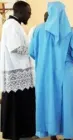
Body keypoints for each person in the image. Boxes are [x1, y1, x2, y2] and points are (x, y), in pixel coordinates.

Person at [29, 1, 73, 140]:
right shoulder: (70, 31)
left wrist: (46, 61)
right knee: (68, 104)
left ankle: (52, 134)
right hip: (66, 72)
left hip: (45, 73)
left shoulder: (38, 30)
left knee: (49, 101)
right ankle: (68, 135)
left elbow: (32, 52)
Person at [0, 1, 35, 140]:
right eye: (28, 13)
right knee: (17, 104)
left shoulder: (15, 25)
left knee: (21, 104)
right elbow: (16, 48)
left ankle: (22, 131)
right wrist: (34, 49)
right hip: (16, 70)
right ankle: (16, 132)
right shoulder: (11, 25)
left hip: (20, 70)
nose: (29, 16)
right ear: (20, 12)